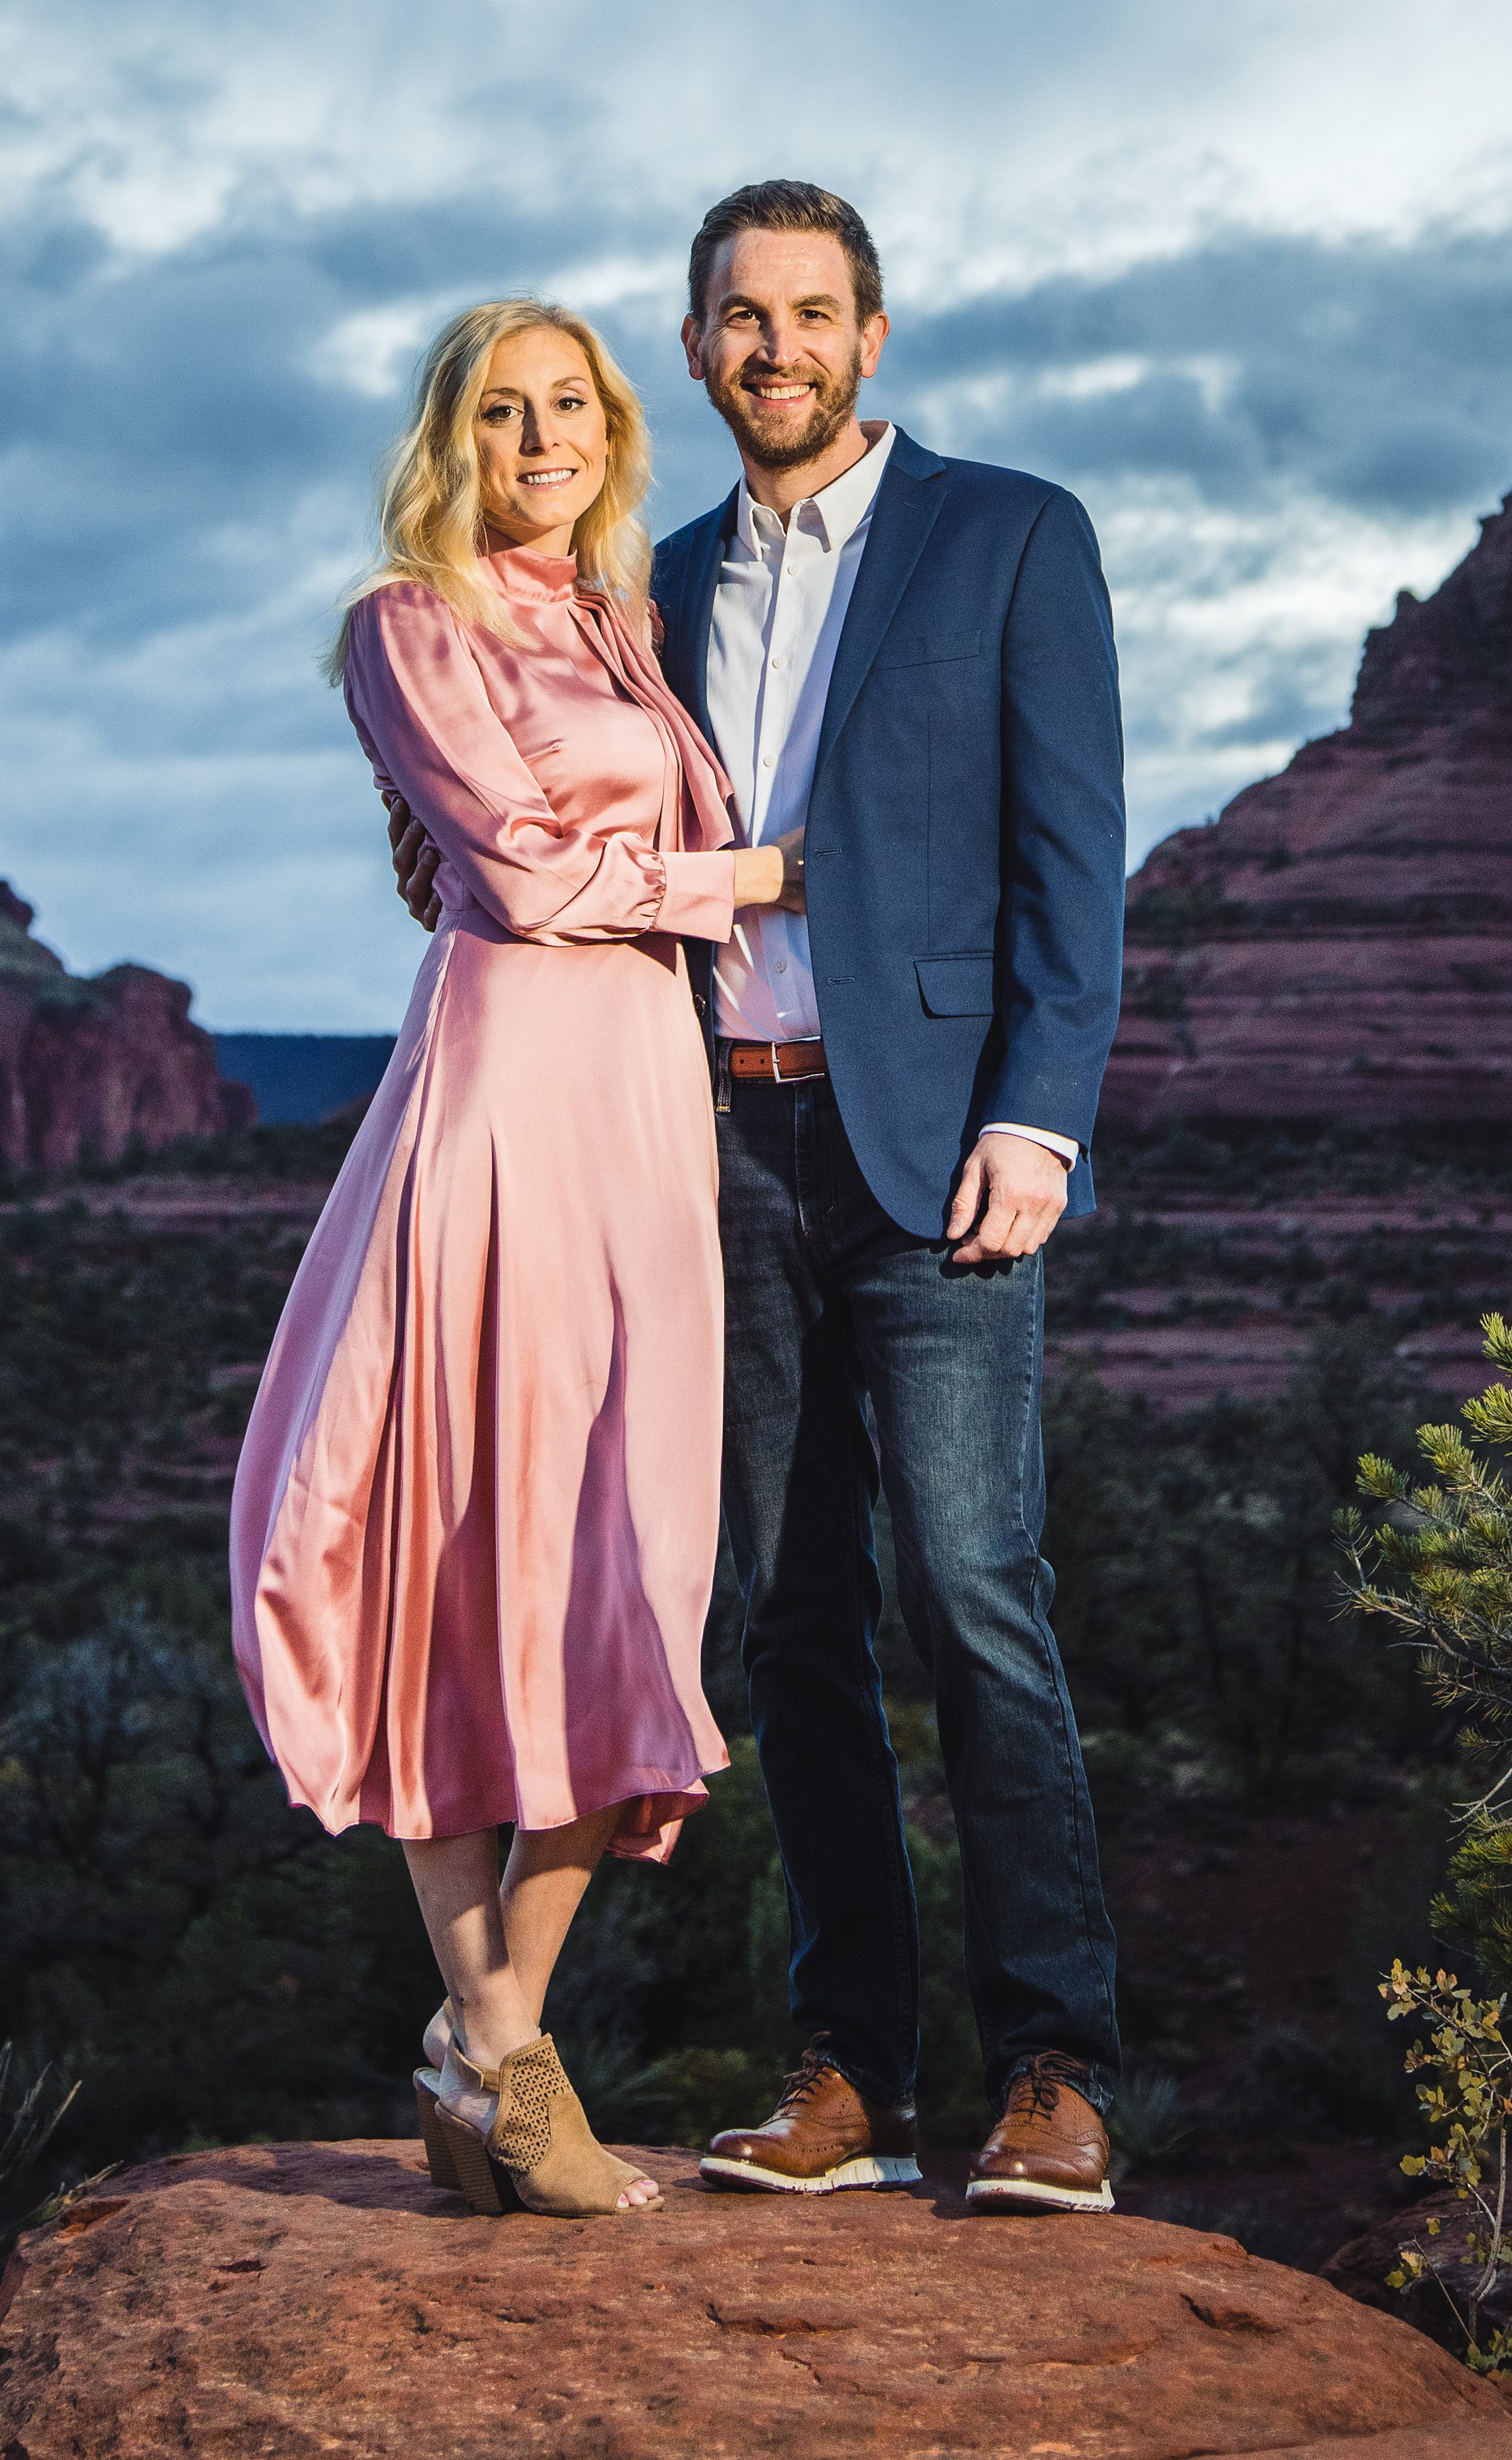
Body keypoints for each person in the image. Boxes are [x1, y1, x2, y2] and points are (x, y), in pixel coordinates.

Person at [391, 184, 1126, 2213]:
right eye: (741, 315)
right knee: (786, 1624)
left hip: (933, 1151)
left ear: (871, 336)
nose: (777, 346)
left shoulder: (1011, 535)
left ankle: (1056, 2066)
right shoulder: (653, 580)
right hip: (703, 1145)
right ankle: (850, 2074)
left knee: (975, 1594)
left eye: (815, 313)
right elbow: (541, 802)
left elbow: (1077, 859)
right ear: (698, 346)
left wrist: (1039, 1117)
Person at [228, 297, 802, 2219]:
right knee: (476, 1553)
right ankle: (507, 2057)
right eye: (503, 409)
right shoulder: (412, 623)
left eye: (570, 404)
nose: (540, 434)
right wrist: (758, 873)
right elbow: (530, 879)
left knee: (628, 1572)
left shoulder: (625, 629)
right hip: (504, 1101)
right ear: (450, 439)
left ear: (613, 432)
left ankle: (485, 2048)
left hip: (651, 1109)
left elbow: (584, 860)